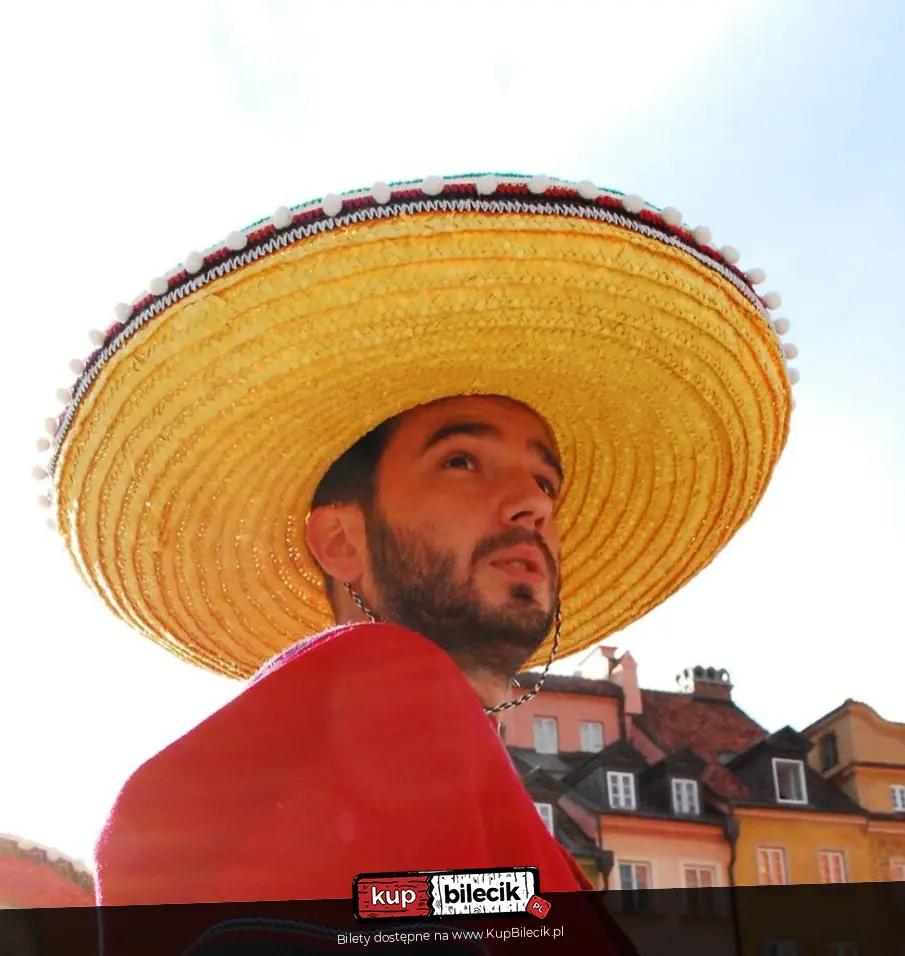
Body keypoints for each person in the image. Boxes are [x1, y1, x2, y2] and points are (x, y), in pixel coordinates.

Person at [38, 173, 795, 937]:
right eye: (462, 461)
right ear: (341, 540)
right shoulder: (379, 682)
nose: (533, 504)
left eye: (545, 482)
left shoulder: (449, 773)